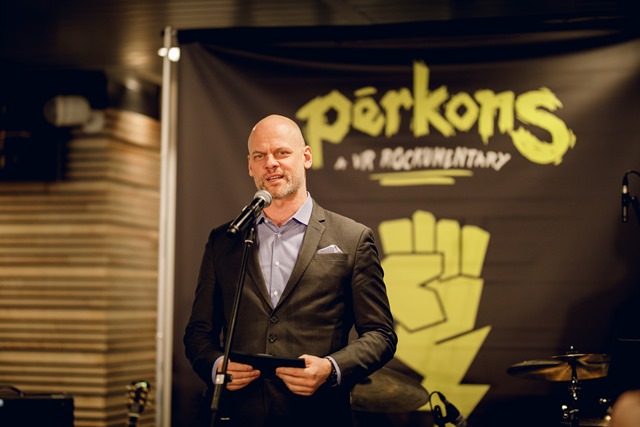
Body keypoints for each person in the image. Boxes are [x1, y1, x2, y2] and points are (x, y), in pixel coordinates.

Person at [183, 114, 397, 427]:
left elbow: (381, 334)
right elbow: (198, 331)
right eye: (260, 156)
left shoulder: (352, 238)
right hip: (238, 413)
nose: (271, 163)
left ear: (306, 157)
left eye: (282, 152)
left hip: (317, 414)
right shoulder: (225, 239)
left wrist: (331, 368)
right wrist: (216, 364)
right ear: (250, 165)